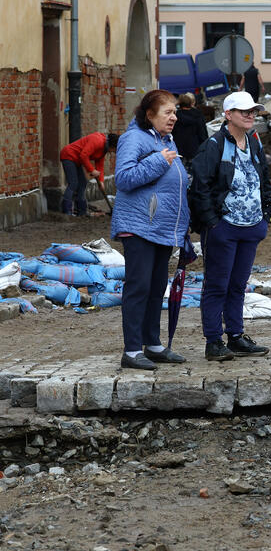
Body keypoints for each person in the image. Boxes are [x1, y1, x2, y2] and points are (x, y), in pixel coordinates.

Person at [189, 91, 271, 361]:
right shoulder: (213, 146)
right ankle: (213, 341)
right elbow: (199, 187)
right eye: (243, 111)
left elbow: (264, 180)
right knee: (217, 285)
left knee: (238, 285)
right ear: (228, 115)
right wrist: (213, 224)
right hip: (223, 228)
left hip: (251, 227)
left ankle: (235, 336)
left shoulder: (254, 144)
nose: (250, 115)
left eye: (253, 111)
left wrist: (265, 215)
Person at [111, 90, 190, 370]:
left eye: (175, 112)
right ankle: (132, 350)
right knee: (139, 287)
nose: (174, 117)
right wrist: (159, 161)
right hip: (138, 226)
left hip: (162, 227)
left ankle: (153, 344)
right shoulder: (133, 138)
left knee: (157, 287)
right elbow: (123, 178)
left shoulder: (165, 139)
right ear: (149, 114)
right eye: (167, 112)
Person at [59, 131, 118, 216]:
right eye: (115, 150)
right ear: (113, 146)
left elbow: (99, 166)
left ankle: (81, 211)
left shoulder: (104, 149)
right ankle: (66, 211)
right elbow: (84, 155)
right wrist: (92, 170)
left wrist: (101, 181)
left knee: (83, 183)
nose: (114, 152)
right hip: (68, 156)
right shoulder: (97, 141)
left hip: (76, 160)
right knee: (73, 183)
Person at [172, 92, 208, 170]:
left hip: (180, 149)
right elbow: (202, 132)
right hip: (195, 148)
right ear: (191, 103)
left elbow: (172, 132)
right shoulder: (198, 115)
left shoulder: (175, 117)